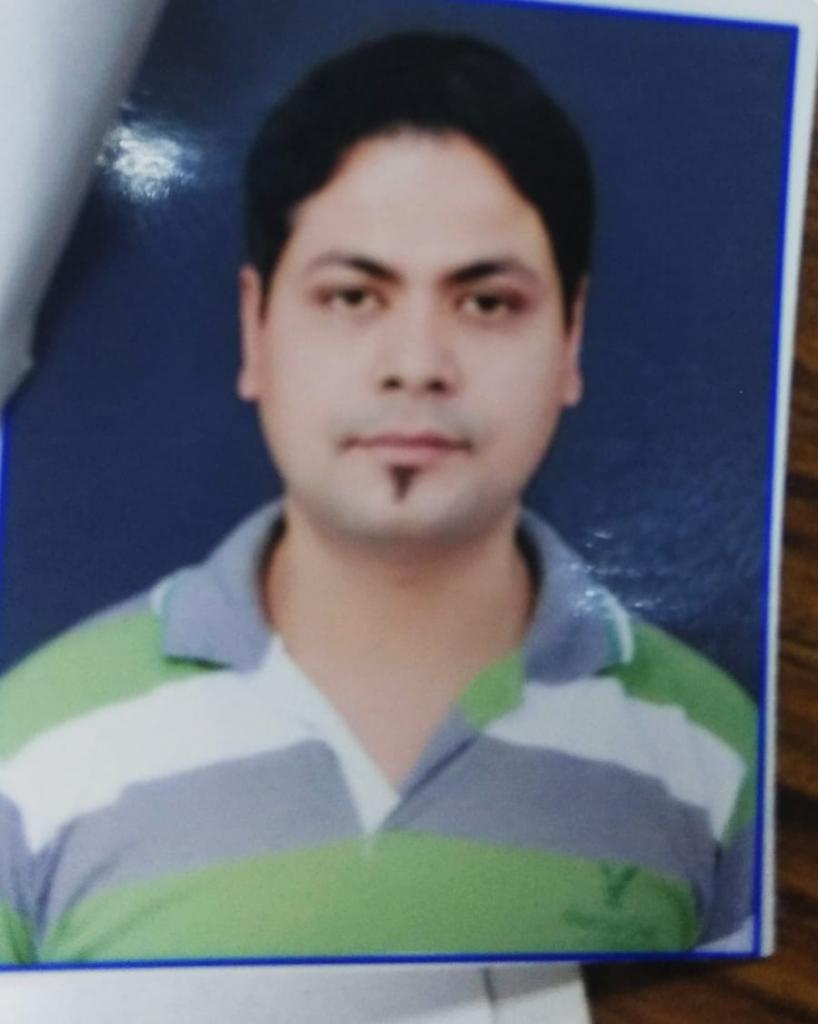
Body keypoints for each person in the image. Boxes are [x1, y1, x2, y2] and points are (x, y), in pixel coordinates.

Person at [0, 31, 756, 964]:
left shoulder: (716, 753)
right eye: (354, 296)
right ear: (257, 327)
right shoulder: (30, 744)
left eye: (487, 302)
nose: (416, 366)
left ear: (569, 340)